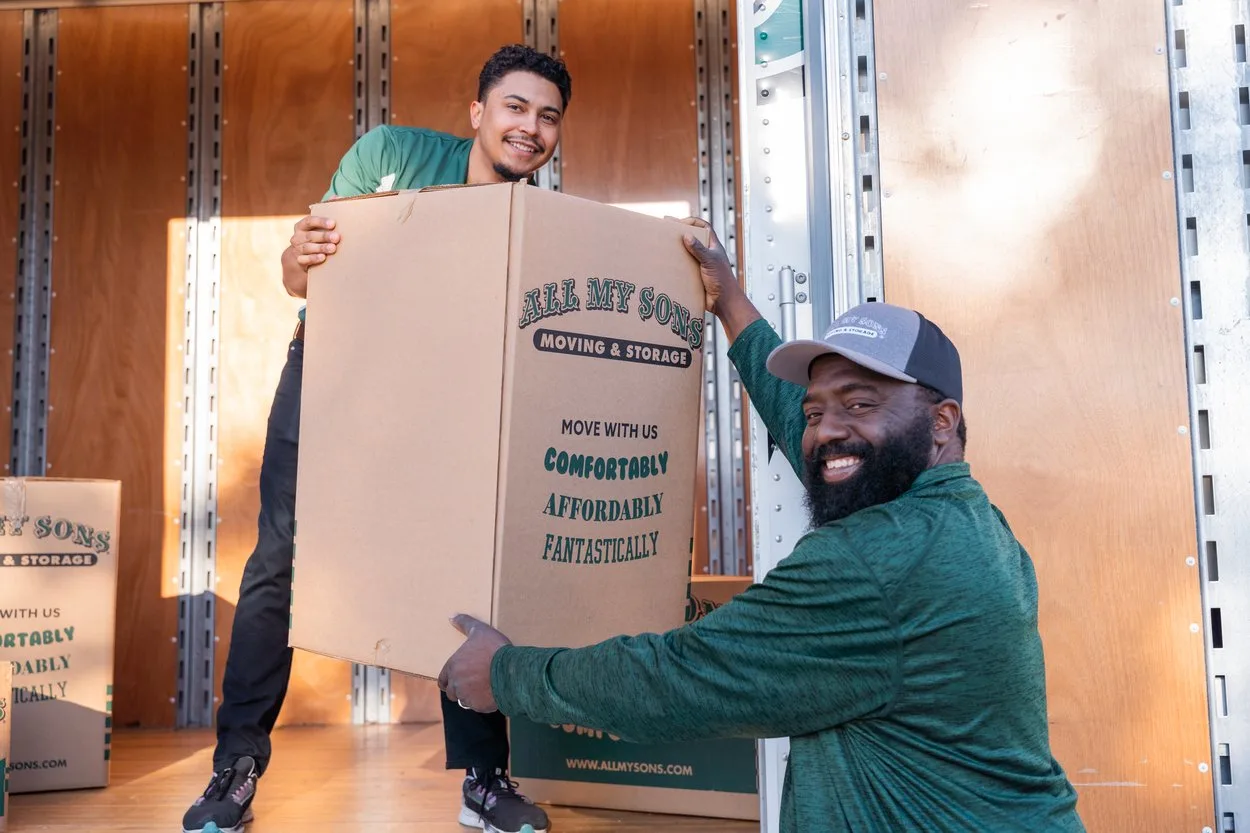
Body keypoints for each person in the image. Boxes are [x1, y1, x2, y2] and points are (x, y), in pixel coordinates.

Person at [438, 220, 1088, 832]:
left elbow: (678, 679)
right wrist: (730, 303)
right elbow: (828, 439)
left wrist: (504, 675)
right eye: (817, 410)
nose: (827, 429)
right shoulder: (961, 516)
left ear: (941, 422)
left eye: (860, 402)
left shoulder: (871, 561)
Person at [181, 44, 570, 833]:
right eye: (516, 108)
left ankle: (485, 781)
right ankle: (236, 769)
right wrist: (297, 257)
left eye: (549, 117)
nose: (530, 129)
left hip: (447, 392)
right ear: (479, 112)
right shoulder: (390, 154)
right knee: (280, 560)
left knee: (462, 574)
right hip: (335, 370)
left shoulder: (536, 221)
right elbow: (303, 275)